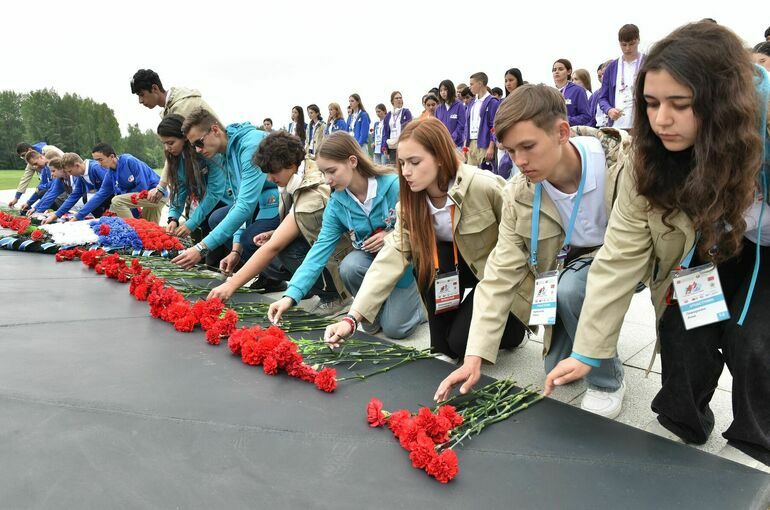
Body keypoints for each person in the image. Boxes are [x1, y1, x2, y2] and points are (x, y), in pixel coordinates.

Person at [544, 22, 770, 471]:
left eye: (679, 105)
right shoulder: (650, 153)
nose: (661, 119)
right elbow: (620, 254)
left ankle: (754, 447)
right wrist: (588, 350)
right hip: (712, 244)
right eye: (650, 103)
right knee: (681, 327)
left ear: (722, 104)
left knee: (755, 344)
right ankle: (681, 424)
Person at [434, 84, 631, 418]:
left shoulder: (622, 165)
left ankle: (608, 382)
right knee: (556, 366)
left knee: (573, 289)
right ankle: (583, 325)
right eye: (510, 151)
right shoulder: (520, 193)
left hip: (625, 256)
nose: (520, 162)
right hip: (565, 262)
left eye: (528, 146)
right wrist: (475, 356)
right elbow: (499, 274)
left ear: (562, 132)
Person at [324, 117, 526, 358]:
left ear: (440, 157)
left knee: (464, 345)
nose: (406, 172)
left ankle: (514, 327)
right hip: (450, 269)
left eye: (415, 162)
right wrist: (352, 319)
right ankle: (442, 342)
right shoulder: (410, 203)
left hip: (493, 273)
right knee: (448, 344)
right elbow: (389, 259)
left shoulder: (484, 186)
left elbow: (519, 241)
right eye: (402, 163)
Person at [267, 132, 425, 339]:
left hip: (405, 263)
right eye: (324, 173)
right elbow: (320, 249)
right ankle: (379, 308)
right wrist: (291, 296)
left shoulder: (394, 185)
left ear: (352, 161)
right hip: (371, 264)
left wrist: (390, 235)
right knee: (350, 266)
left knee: (396, 330)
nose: (328, 180)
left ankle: (419, 303)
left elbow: (420, 228)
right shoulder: (337, 203)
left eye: (332, 171)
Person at [207, 131, 352, 313]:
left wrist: (231, 285)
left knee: (285, 250)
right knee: (262, 241)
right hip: (326, 248)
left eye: (273, 172)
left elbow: (275, 246)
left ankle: (335, 294)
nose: (269, 179)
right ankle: (308, 288)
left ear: (290, 164)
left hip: (339, 259)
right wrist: (275, 232)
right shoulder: (297, 175)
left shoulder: (311, 194)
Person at [171, 109, 279, 272]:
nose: (198, 150)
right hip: (259, 201)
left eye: (199, 143)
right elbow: (238, 203)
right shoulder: (227, 154)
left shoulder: (249, 147)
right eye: (194, 146)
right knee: (217, 218)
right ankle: (261, 270)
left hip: (281, 202)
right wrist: (236, 250)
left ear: (215, 130)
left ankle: (282, 271)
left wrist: (201, 248)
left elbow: (244, 207)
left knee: (250, 239)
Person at [130, 69, 220, 204]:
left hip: (216, 163)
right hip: (204, 166)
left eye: (142, 95)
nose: (140, 101)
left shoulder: (183, 106)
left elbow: (173, 150)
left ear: (154, 88)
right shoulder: (169, 109)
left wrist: (161, 186)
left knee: (214, 214)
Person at [158, 114, 229, 262]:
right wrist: (173, 218)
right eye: (164, 143)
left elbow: (215, 192)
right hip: (204, 208)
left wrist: (191, 223)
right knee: (201, 250)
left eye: (171, 142)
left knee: (212, 254)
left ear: (184, 138)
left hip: (223, 202)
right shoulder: (177, 159)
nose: (167, 148)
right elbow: (181, 188)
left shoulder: (206, 151)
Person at [75, 143, 164, 223]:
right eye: (96, 160)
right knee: (150, 230)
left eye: (100, 160)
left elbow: (142, 187)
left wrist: (132, 212)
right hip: (145, 200)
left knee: (117, 201)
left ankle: (133, 229)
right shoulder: (110, 174)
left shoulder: (129, 161)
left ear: (112, 156)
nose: (98, 164)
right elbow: (100, 195)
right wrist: (78, 216)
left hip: (157, 195)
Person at [597, 24, 645, 130]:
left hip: (642, 126)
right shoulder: (612, 67)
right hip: (618, 126)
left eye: (632, 44)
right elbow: (602, 98)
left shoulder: (648, 63)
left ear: (638, 40)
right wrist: (609, 110)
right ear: (619, 43)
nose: (628, 48)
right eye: (624, 45)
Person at [44, 152, 111, 223]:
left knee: (90, 200)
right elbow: (74, 195)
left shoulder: (95, 168)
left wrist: (77, 217)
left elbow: (106, 191)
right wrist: (56, 215)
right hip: (104, 199)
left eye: (70, 171)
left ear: (77, 165)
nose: (69, 174)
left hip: (115, 197)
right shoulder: (81, 175)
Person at [8, 142, 63, 209]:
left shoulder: (48, 150)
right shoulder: (37, 164)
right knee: (42, 191)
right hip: (54, 182)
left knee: (47, 191)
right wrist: (18, 199)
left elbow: (64, 161)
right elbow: (25, 179)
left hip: (64, 179)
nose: (36, 167)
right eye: (22, 157)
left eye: (23, 155)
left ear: (30, 150)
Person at [463, 72, 499, 171]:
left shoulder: (492, 102)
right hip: (471, 145)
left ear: (480, 83)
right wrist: (465, 146)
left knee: (486, 177)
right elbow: (467, 126)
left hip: (484, 144)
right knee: (471, 176)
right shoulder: (472, 103)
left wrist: (491, 147)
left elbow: (494, 126)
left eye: (471, 84)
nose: (469, 87)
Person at [553, 59, 592, 126]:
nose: (556, 72)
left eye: (560, 69)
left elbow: (586, 116)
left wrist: (565, 120)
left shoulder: (578, 90)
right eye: (554, 70)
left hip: (571, 132)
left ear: (569, 71)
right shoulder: (550, 92)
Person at [381, 91, 413, 161]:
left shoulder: (406, 112)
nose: (399, 99)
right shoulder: (388, 115)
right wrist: (384, 146)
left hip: (403, 145)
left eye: (400, 98)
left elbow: (409, 129)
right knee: (393, 168)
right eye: (396, 98)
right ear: (392, 101)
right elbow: (385, 132)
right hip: (392, 146)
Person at [436, 79, 466, 149]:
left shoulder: (459, 105)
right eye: (441, 90)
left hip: (457, 145)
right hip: (443, 145)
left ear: (451, 90)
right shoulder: (438, 108)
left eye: (445, 90)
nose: (443, 92)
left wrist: (451, 139)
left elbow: (461, 126)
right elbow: (437, 126)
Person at [589, 61, 613, 128]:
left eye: (607, 74)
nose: (603, 77)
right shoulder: (596, 94)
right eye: (602, 74)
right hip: (599, 129)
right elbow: (591, 116)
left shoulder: (620, 93)